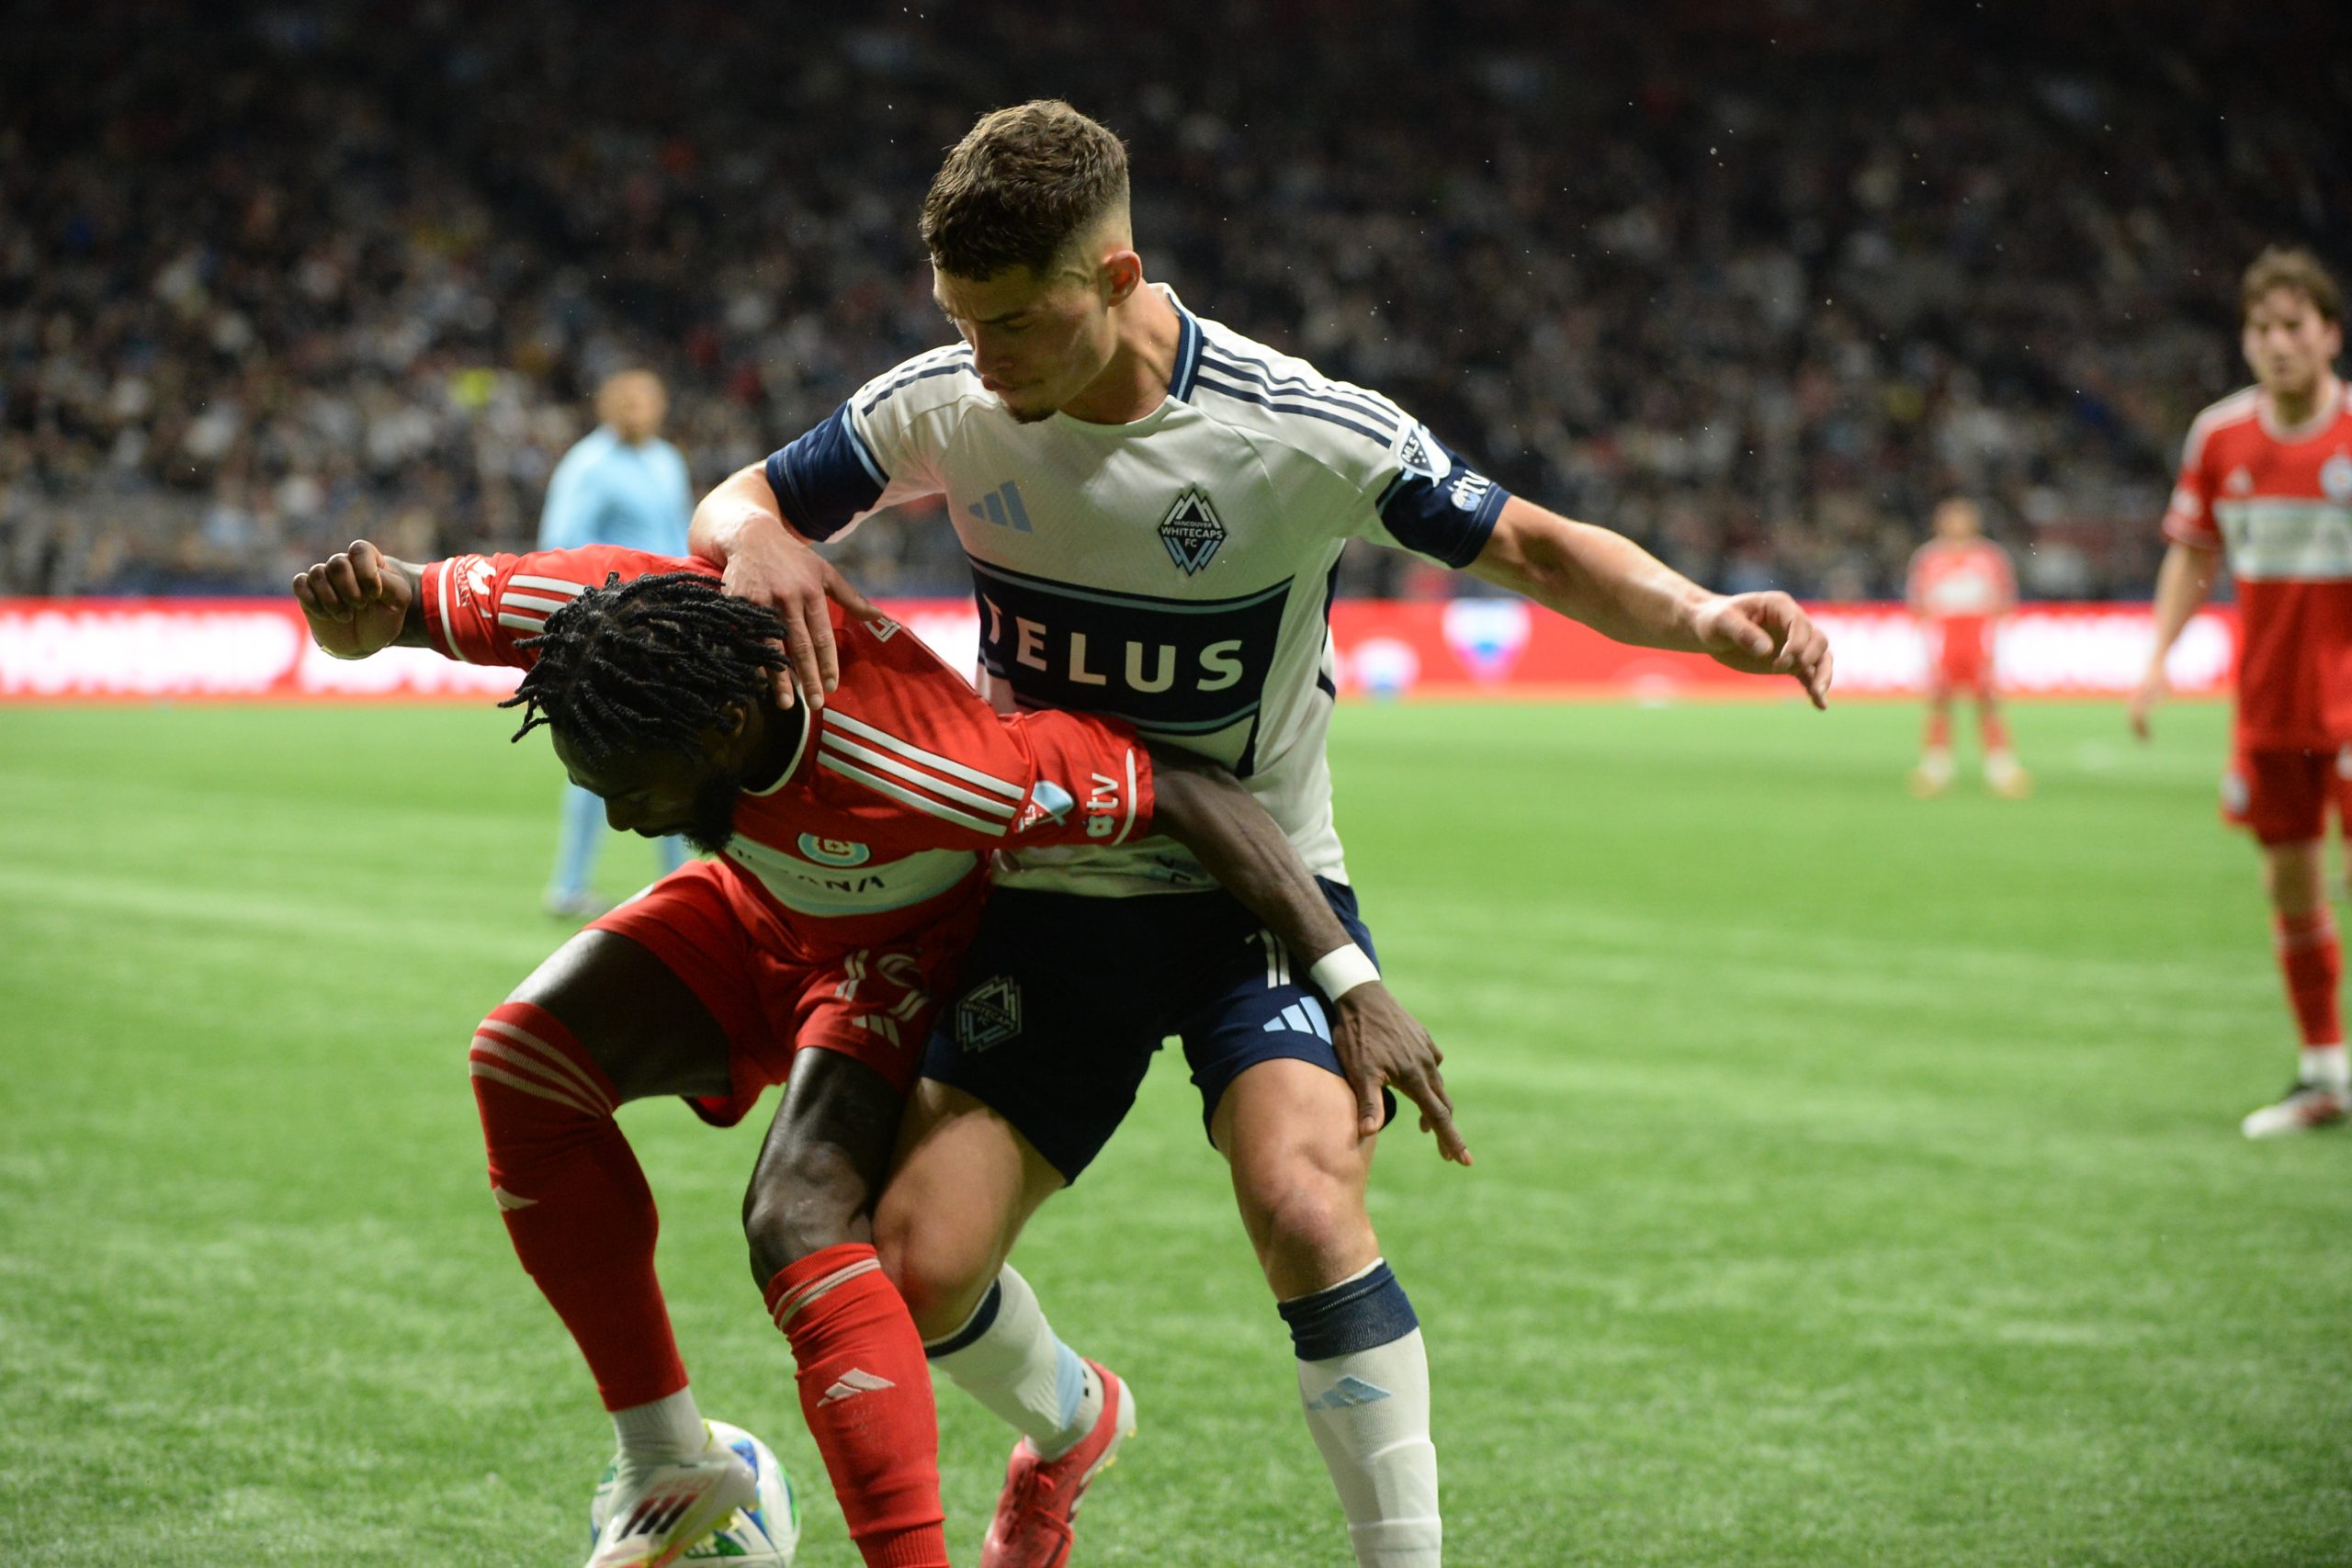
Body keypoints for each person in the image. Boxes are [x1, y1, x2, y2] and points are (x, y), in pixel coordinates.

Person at [688, 101, 1832, 1568]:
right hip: (1051, 887)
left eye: (1014, 324)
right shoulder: (946, 404)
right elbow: (744, 498)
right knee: (915, 1262)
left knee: (1301, 1196)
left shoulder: (1298, 429)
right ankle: (1074, 1418)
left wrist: (1701, 620)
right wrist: (761, 526)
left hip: (1265, 898)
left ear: (1116, 277)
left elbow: (1532, 541)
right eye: (958, 323)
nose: (984, 362)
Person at [289, 536, 1456, 1568]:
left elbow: (1189, 791)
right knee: (522, 1058)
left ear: (729, 724)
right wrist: (360, 606)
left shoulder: (940, 769)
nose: (628, 821)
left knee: (796, 1220)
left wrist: (1346, 979)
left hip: (894, 956)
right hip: (760, 908)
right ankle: (668, 1461)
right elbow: (399, 598)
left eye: (636, 793)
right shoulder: (605, 622)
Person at [2131, 245, 2352, 1139]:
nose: (2276, 344)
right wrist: (2155, 661)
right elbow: (2192, 554)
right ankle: (2323, 1072)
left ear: (2329, 334)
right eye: (2259, 329)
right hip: (2267, 705)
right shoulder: (2219, 436)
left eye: (2292, 327)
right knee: (2291, 887)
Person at [538, 369, 697, 918]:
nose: (638, 409)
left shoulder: (667, 461)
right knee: (594, 756)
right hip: (610, 633)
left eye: (648, 398)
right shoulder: (588, 467)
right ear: (606, 404)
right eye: (627, 399)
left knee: (679, 753)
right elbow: (561, 548)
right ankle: (569, 885)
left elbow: (678, 541)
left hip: (668, 629)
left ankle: (683, 887)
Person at [1905, 496, 2028, 797]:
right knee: (1939, 699)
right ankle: (1936, 767)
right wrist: (1925, 644)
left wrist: (1997, 642)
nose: (1957, 524)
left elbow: (2005, 600)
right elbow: (1917, 603)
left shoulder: (1990, 556)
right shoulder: (1928, 558)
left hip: (1978, 633)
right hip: (1944, 634)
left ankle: (2001, 767)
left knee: (1987, 700)